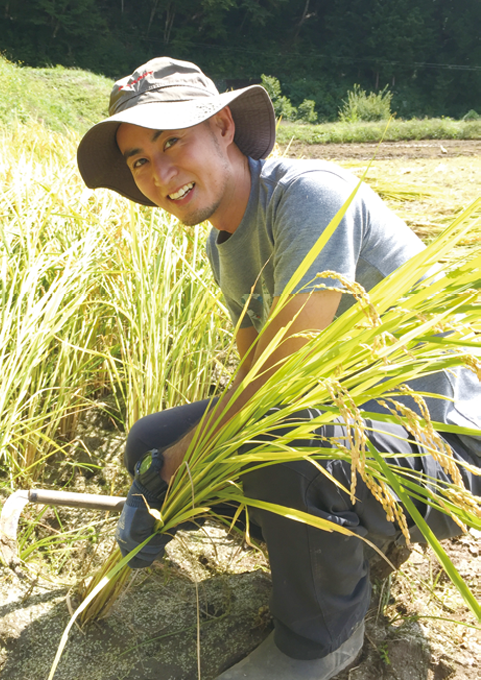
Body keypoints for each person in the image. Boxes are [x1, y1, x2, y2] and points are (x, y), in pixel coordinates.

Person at [76, 57, 481, 680]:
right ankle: (336, 544)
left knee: (273, 441)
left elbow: (286, 371)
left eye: (172, 141)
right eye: (138, 161)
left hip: (447, 447)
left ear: (223, 128)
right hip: (358, 430)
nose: (160, 174)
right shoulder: (224, 243)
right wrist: (169, 472)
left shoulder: (310, 194)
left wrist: (187, 463)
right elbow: (251, 366)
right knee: (149, 442)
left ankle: (321, 640)